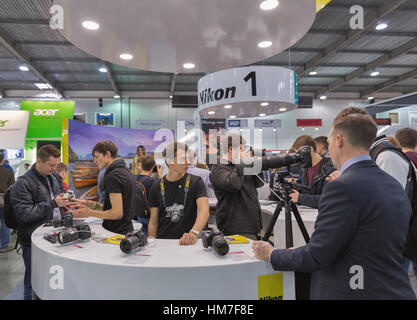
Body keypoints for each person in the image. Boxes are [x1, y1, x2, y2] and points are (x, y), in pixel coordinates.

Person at [252, 114, 416, 300]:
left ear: (338, 140)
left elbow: (318, 255)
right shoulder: (392, 183)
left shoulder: (343, 186)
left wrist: (271, 254)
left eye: (329, 142)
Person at [10, 145, 68, 299]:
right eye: (51, 165)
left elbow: (59, 194)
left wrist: (66, 200)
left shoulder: (54, 175)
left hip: (54, 236)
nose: (54, 168)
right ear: (39, 161)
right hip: (32, 241)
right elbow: (24, 215)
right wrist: (53, 203)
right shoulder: (23, 183)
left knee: (52, 279)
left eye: (56, 165)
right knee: (33, 280)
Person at [148, 142, 209, 245]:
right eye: (182, 159)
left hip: (187, 242)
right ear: (169, 161)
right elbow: (153, 222)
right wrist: (152, 243)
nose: (187, 162)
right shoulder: (156, 185)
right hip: (163, 244)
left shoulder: (196, 182)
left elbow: (204, 211)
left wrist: (193, 233)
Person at [71, 141, 136, 235]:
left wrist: (89, 213)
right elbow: (113, 207)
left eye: (97, 156)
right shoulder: (125, 172)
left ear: (107, 154)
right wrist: (90, 204)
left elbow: (117, 213)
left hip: (115, 232)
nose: (94, 161)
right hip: (125, 230)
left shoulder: (113, 176)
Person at [209, 134, 263, 240]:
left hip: (252, 224)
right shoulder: (217, 168)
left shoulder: (240, 165)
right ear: (230, 149)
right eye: (241, 149)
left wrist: (254, 162)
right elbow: (234, 185)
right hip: (234, 225)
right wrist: (241, 162)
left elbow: (258, 183)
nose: (244, 152)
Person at [284, 135, 336, 209]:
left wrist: (301, 198)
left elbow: (328, 199)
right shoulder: (304, 168)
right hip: (306, 214)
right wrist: (296, 186)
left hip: (321, 214)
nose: (299, 157)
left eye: (300, 153)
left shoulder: (330, 168)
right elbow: (306, 190)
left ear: (310, 149)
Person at [136, 155, 163, 234]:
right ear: (152, 167)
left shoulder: (135, 178)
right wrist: (160, 175)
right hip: (150, 216)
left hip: (139, 214)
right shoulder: (152, 182)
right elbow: (163, 191)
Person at [0, 153, 15, 253]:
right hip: (2, 200)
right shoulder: (8, 171)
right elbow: (12, 187)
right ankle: (4, 245)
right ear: (2, 161)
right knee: (4, 222)